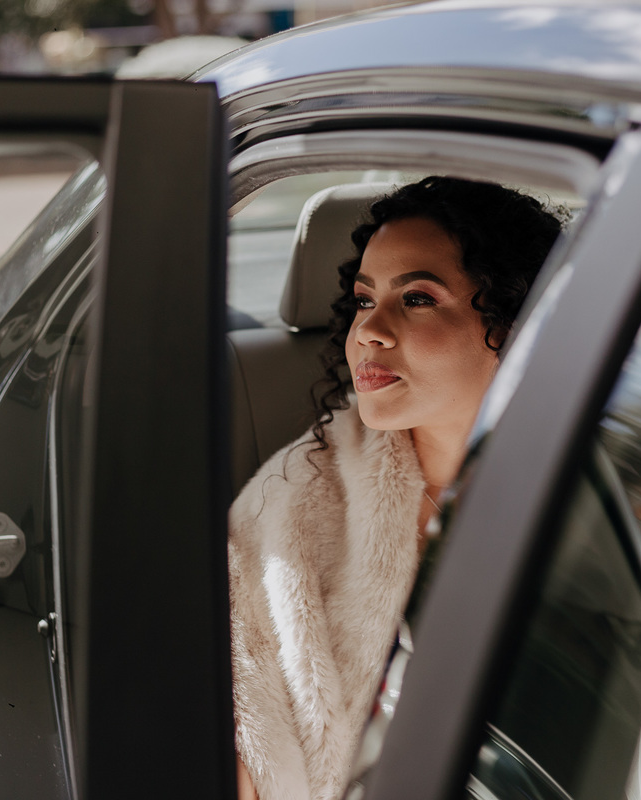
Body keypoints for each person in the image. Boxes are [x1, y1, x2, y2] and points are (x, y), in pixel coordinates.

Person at [230, 176, 563, 800]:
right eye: (363, 300)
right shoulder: (290, 503)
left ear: (514, 321)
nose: (370, 332)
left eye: (416, 298)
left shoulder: (612, 479)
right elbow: (241, 717)